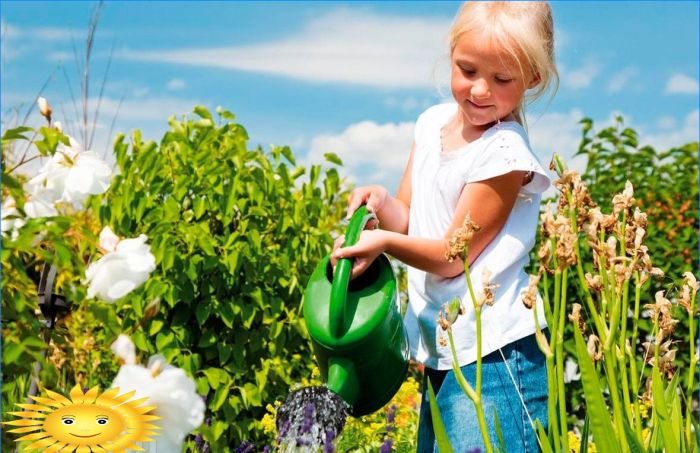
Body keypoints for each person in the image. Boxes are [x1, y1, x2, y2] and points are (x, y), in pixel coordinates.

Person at [330, 2, 558, 451]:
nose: (479, 90)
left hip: (495, 355)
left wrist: (384, 244)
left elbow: (453, 256)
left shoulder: (504, 153)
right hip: (445, 348)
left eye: (501, 79)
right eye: (467, 69)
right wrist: (381, 205)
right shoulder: (432, 124)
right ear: (451, 53)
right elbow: (412, 219)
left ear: (532, 78)